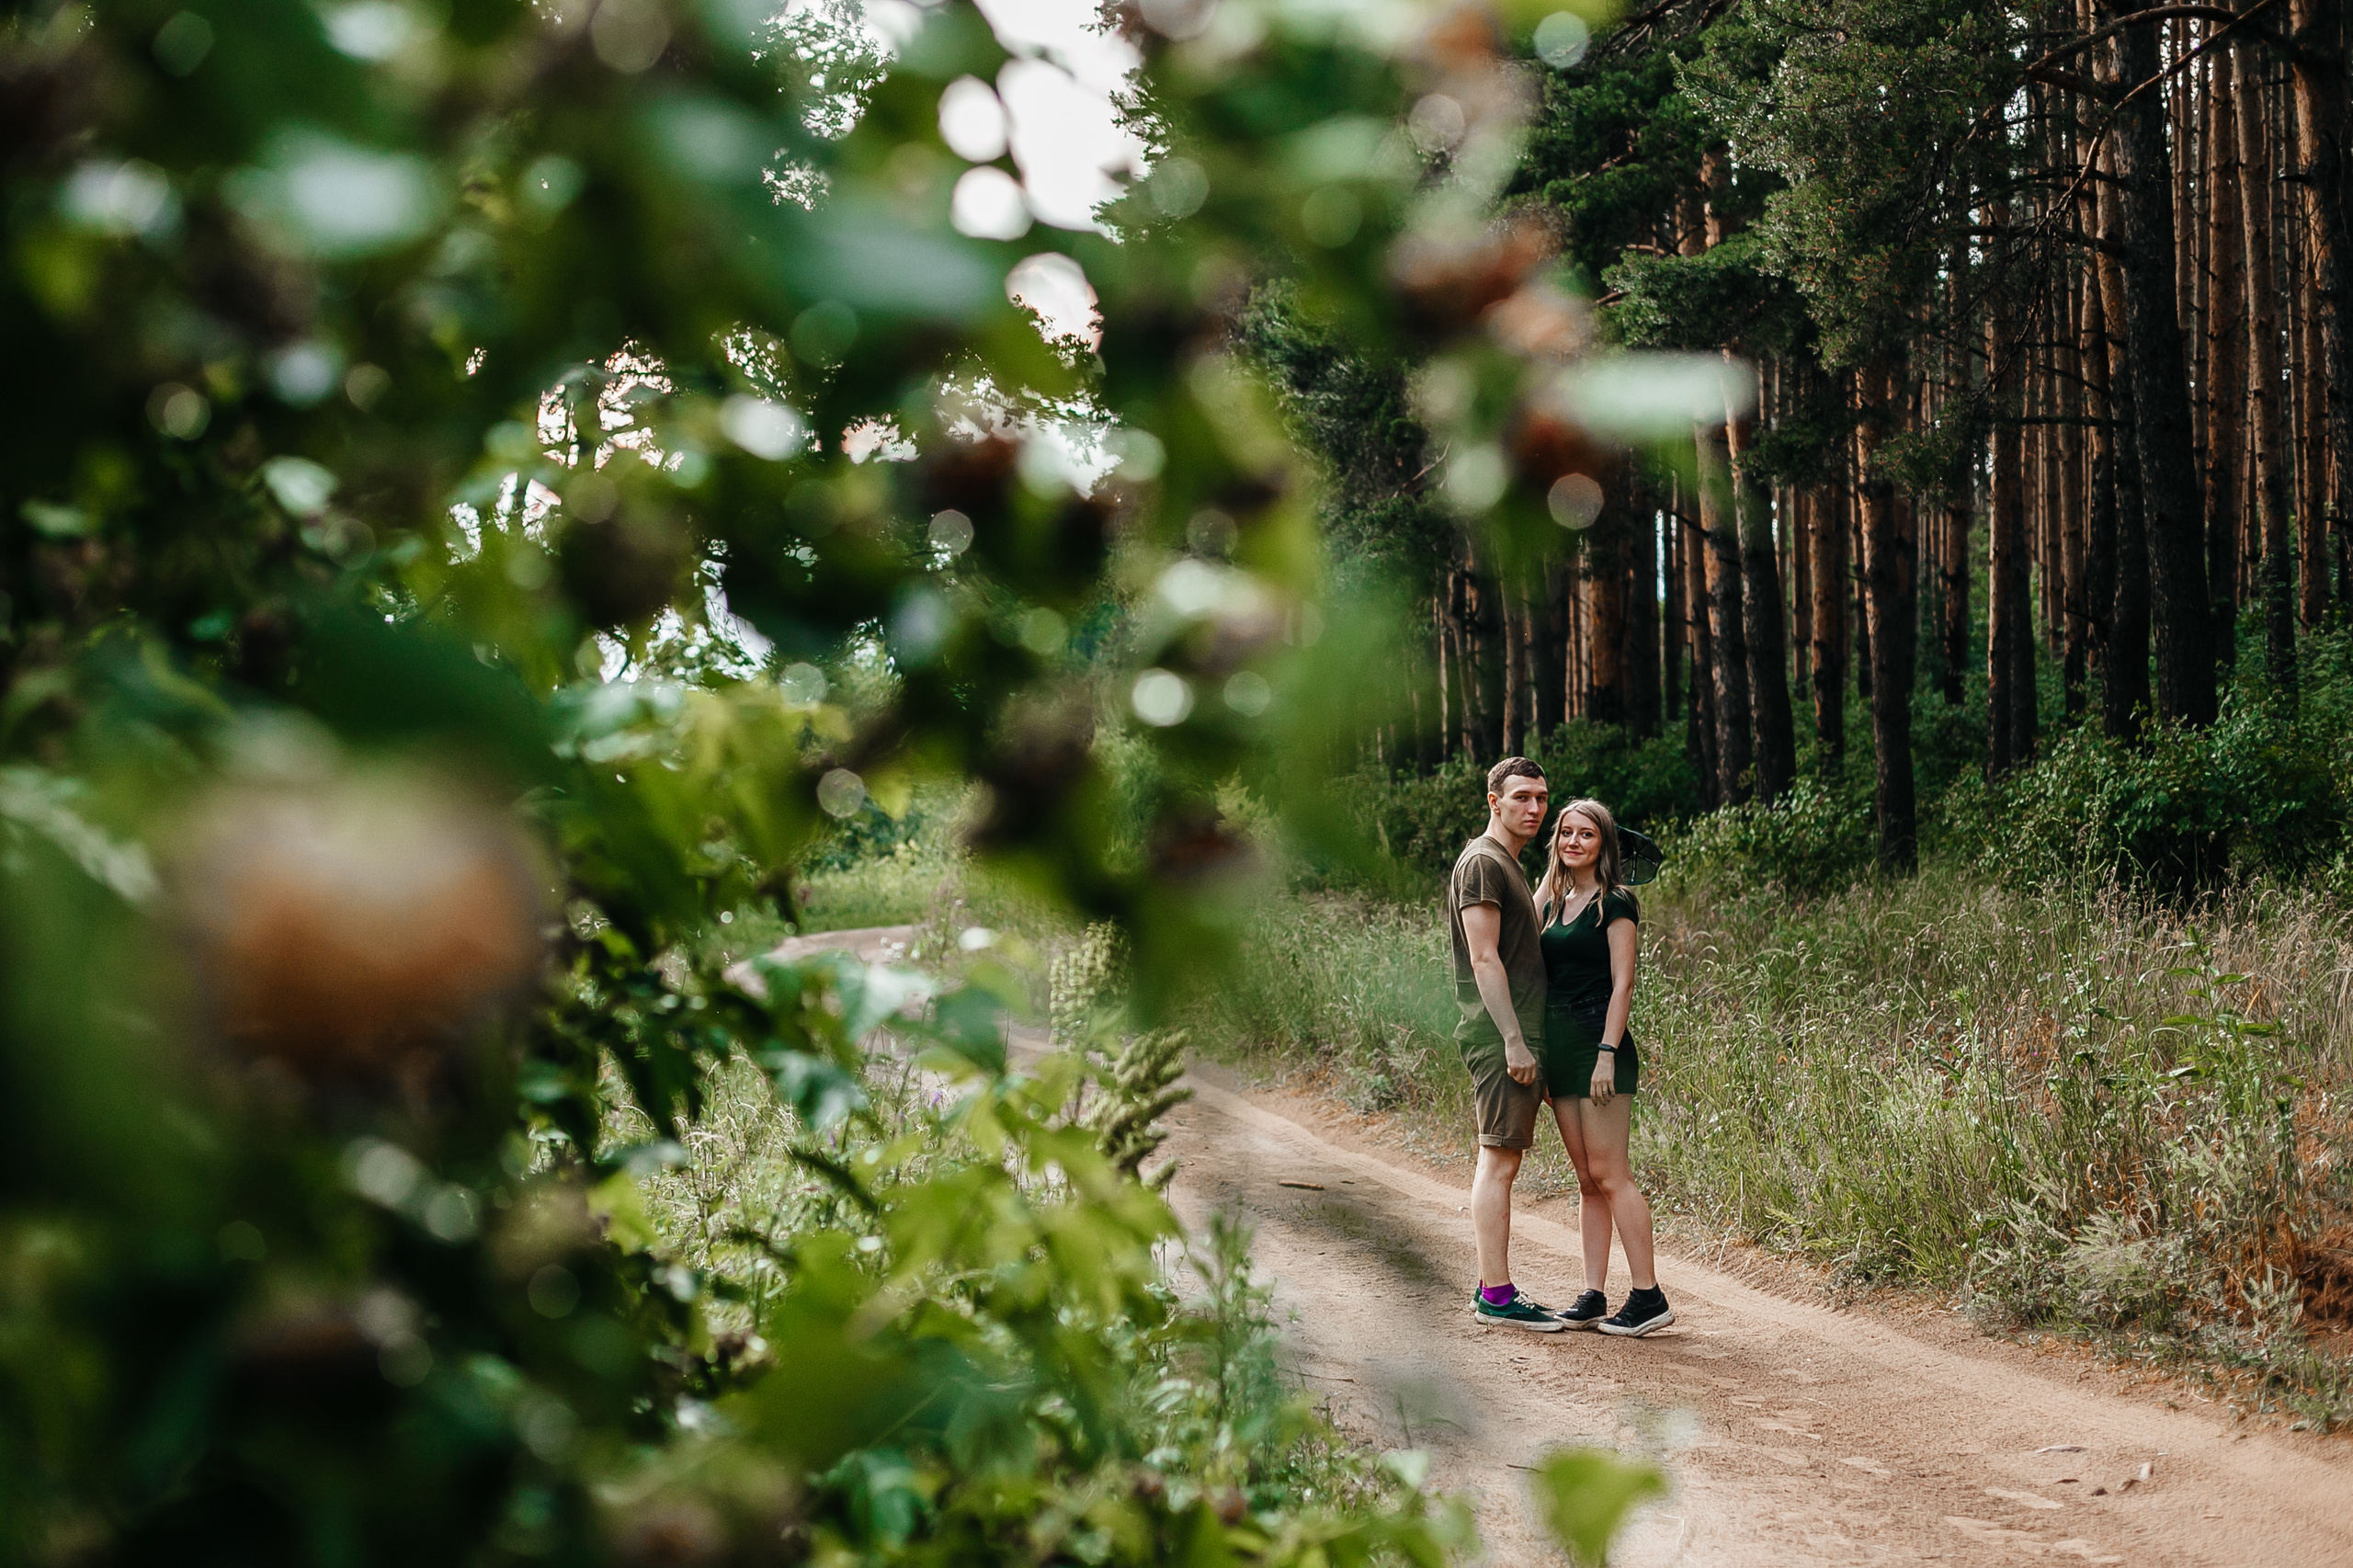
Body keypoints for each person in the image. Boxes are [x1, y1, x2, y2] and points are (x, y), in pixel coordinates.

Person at [1531, 797, 1672, 1336]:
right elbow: (1523, 915)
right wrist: (1549, 881)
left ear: (1604, 844)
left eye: (1585, 835)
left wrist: (1607, 1054)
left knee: (1613, 1175)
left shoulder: (1615, 902)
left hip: (1598, 1044)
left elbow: (1623, 982)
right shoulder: (1555, 900)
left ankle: (1648, 1295)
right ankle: (1592, 1294)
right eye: (1565, 832)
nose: (1572, 841)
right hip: (1559, 1049)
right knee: (1587, 1179)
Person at [1448, 756, 1563, 1330]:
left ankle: (1491, 1286)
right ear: (1494, 800)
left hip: (1518, 1034)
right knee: (1498, 1161)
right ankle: (1496, 1296)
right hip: (1501, 1038)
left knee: (1503, 1159)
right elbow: (1484, 955)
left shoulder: (1505, 865)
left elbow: (1522, 932)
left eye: (1541, 798)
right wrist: (1514, 1042)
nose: (1535, 808)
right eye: (1522, 797)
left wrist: (1550, 880)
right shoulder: (1483, 865)